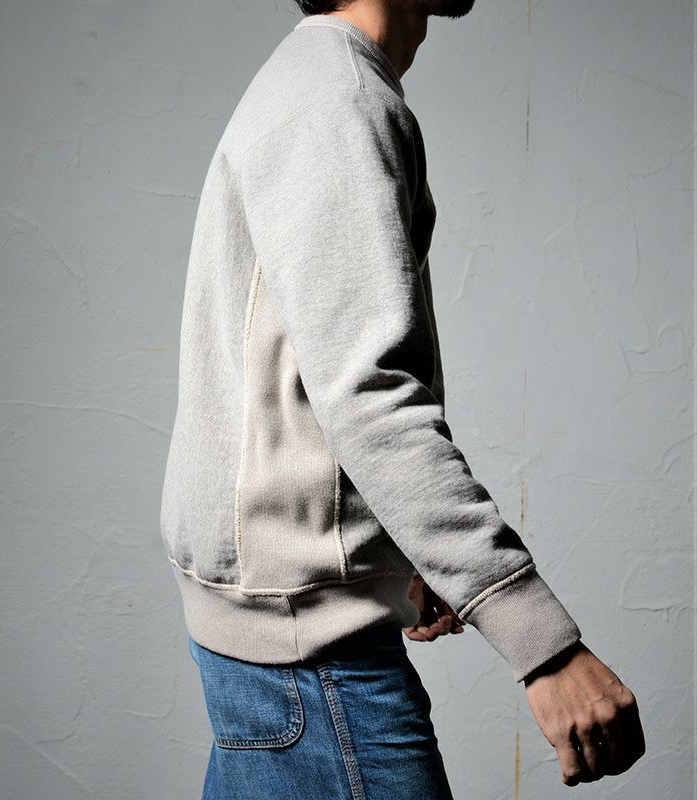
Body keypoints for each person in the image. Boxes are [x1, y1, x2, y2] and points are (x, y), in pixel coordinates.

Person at [160, 1, 646, 797]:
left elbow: (310, 371)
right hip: (311, 658)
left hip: (280, 636)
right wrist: (544, 646)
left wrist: (400, 548)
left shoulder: (315, 82)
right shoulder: (338, 99)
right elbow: (369, 392)